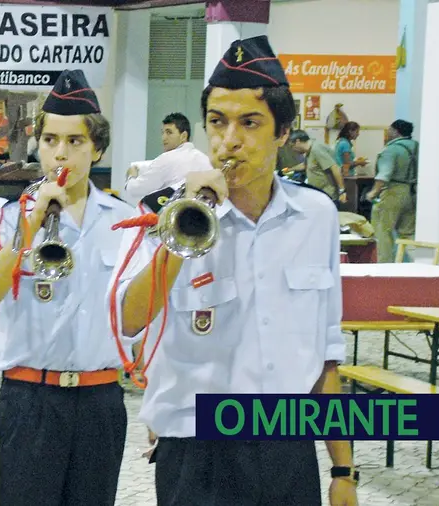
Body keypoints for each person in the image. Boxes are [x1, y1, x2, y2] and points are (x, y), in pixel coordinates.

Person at [109, 36, 358, 506]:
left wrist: (343, 470)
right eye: (217, 123)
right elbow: (129, 318)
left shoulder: (316, 216)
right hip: (196, 446)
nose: (230, 140)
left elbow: (326, 353)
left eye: (250, 123)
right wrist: (183, 230)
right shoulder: (167, 215)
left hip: (287, 443)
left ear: (283, 133)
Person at [0, 69, 136, 506]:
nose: (60, 153)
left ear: (96, 147)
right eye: (50, 140)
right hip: (30, 399)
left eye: (75, 141)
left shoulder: (123, 220)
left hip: (99, 399)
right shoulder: (8, 215)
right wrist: (28, 229)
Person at [124, 112, 213, 204]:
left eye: (169, 132)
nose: (163, 138)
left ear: (183, 136)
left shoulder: (166, 159)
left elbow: (135, 190)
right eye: (163, 133)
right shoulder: (205, 159)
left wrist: (131, 176)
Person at [367, 119, 418, 263]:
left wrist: (373, 193)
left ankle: (385, 267)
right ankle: (415, 264)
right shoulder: (417, 147)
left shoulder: (391, 149)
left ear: (396, 131)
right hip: (412, 192)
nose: (387, 132)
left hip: (393, 192)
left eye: (389, 129)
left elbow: (384, 174)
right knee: (407, 233)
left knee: (383, 231)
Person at [289, 129, 348, 207]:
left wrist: (342, 191)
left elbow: (334, 167)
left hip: (327, 197)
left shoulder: (316, 149)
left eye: (292, 146)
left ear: (297, 141)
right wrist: (289, 169)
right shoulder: (309, 151)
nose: (293, 150)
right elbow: (305, 165)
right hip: (319, 196)